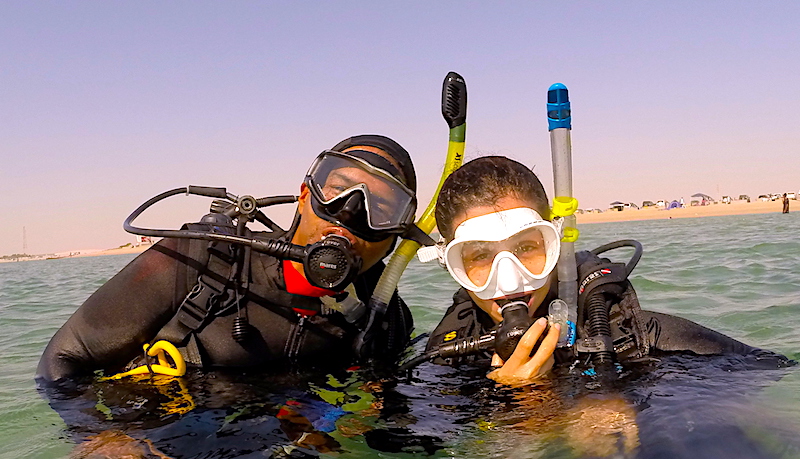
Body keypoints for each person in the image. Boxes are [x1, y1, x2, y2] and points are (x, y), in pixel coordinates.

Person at [37, 134, 418, 381]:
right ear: (304, 195)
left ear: (395, 237)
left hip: (276, 444)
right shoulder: (203, 258)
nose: (348, 213)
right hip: (161, 439)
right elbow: (62, 359)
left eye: (382, 207)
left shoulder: (386, 322)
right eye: (336, 191)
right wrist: (98, 436)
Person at [425, 156, 763, 386]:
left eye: (526, 248)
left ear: (556, 245)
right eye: (480, 256)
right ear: (452, 265)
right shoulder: (448, 358)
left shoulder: (634, 337)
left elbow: (767, 372)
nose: (510, 279)